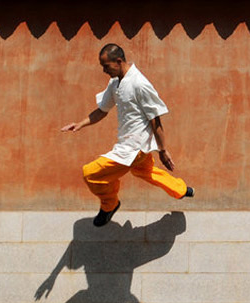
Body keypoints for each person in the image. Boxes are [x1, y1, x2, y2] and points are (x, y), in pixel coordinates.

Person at [61, 43, 194, 227]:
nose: (104, 70)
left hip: (133, 149)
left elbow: (155, 119)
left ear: (118, 61)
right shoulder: (115, 83)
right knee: (144, 171)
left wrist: (163, 150)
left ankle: (110, 204)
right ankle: (181, 189)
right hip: (133, 147)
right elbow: (102, 110)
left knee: (90, 173)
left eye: (106, 66)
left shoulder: (139, 84)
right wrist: (80, 124)